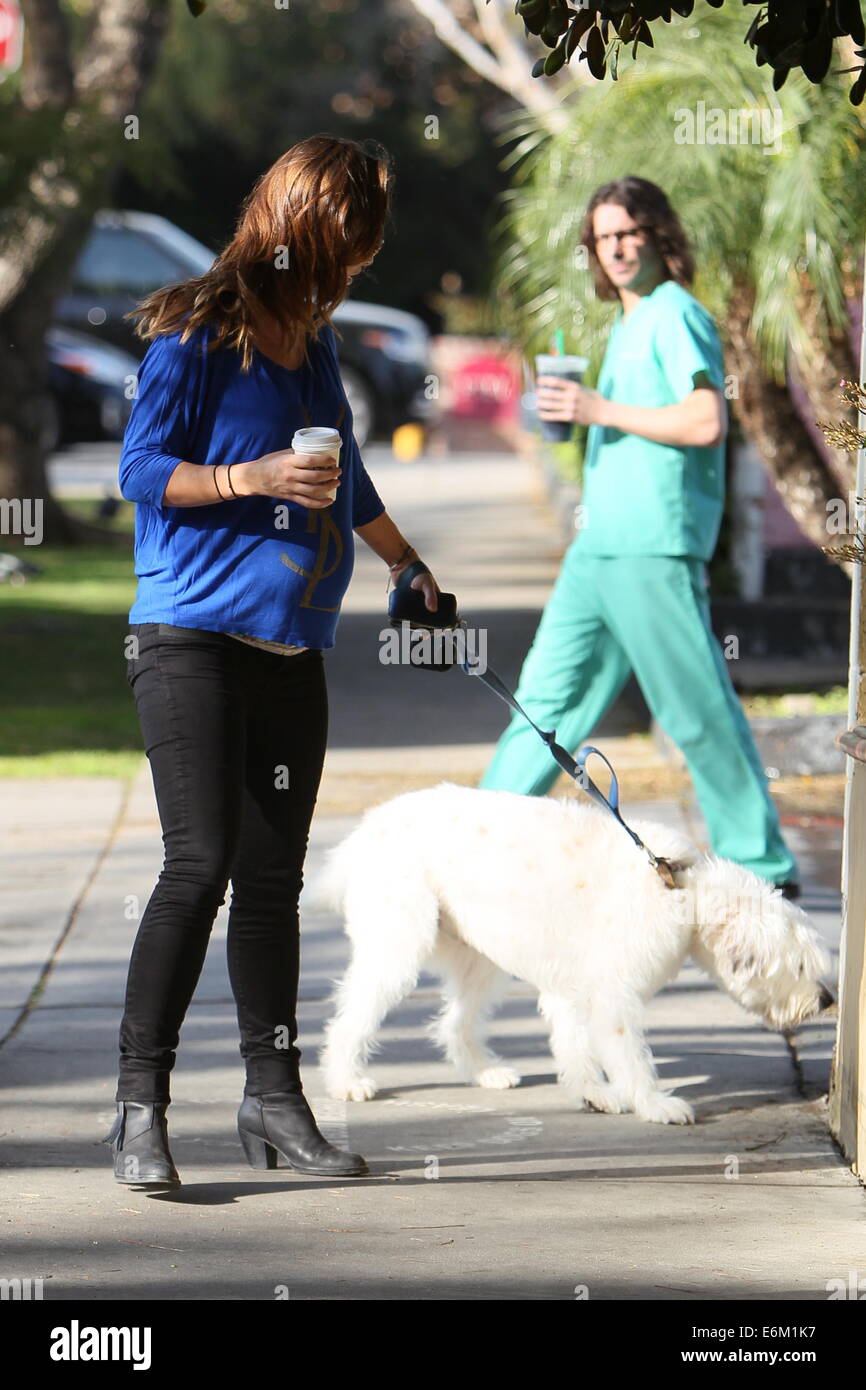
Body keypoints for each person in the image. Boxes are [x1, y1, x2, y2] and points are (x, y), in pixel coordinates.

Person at [105, 134, 442, 1187]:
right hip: (187, 640)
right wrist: (249, 474)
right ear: (293, 216)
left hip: (288, 646)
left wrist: (408, 568)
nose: (352, 253)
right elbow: (140, 471)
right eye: (341, 230)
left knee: (271, 884)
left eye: (363, 237)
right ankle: (138, 1109)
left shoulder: (318, 344)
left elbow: (345, 484)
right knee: (198, 863)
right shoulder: (195, 330)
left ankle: (273, 1099)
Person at [480, 176, 799, 895]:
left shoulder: (675, 313)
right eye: (604, 238)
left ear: (659, 236)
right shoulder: (628, 322)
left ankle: (763, 868)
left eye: (630, 233)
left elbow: (705, 420)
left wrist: (597, 407)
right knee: (544, 701)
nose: (617, 248)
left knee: (694, 710)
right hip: (600, 548)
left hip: (653, 544)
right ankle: (479, 843)